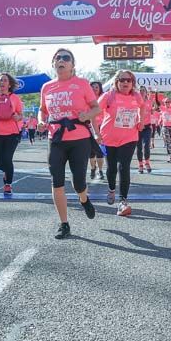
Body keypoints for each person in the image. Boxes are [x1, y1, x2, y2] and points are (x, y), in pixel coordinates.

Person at [38, 48, 101, 239]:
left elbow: (96, 108)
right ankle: (64, 224)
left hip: (79, 139)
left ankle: (84, 199)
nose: (61, 60)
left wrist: (87, 115)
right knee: (56, 181)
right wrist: (41, 120)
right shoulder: (47, 87)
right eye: (57, 58)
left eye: (66, 58)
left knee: (78, 182)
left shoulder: (81, 84)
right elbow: (42, 110)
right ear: (53, 63)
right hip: (55, 139)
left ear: (73, 65)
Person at [97, 70, 145, 216]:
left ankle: (123, 201)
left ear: (132, 83)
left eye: (129, 80)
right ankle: (111, 189)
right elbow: (94, 112)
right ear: (117, 82)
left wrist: (141, 120)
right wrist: (96, 132)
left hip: (129, 137)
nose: (125, 83)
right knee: (111, 169)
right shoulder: (108, 96)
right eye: (122, 80)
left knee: (124, 167)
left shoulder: (136, 96)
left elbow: (142, 107)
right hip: (109, 138)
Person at [0, 73, 23, 193]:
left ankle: (8, 184)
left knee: (7, 159)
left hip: (12, 133)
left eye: (5, 80)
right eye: (0, 80)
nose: (2, 83)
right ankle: (7, 171)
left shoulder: (15, 98)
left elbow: (20, 115)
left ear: (10, 84)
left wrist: (18, 117)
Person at [88, 81, 106, 180]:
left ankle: (100, 170)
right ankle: (92, 168)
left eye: (96, 87)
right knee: (91, 152)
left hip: (102, 127)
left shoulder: (104, 98)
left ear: (100, 88)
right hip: (90, 128)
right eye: (92, 87)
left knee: (100, 151)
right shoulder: (87, 100)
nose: (94, 89)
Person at [136, 85, 153, 173]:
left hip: (147, 127)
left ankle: (147, 162)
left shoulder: (149, 102)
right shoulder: (135, 102)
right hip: (137, 128)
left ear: (146, 92)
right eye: (140, 90)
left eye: (143, 90)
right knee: (139, 147)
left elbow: (152, 111)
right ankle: (140, 164)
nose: (142, 92)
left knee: (146, 145)